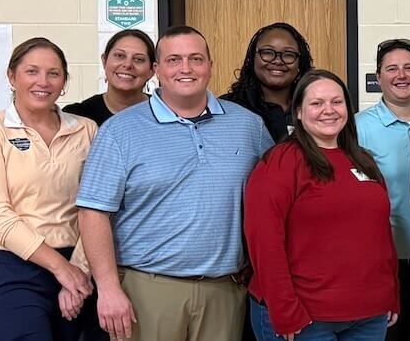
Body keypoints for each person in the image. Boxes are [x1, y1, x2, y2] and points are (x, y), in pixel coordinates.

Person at [77, 26, 274, 341]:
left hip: (224, 291)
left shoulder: (247, 125)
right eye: (174, 60)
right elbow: (93, 213)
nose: (186, 68)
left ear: (210, 66)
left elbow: (272, 199)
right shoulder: (119, 131)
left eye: (196, 59)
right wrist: (109, 288)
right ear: (157, 70)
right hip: (147, 290)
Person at [0, 37, 98, 340]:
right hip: (5, 267)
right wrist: (62, 269)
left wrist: (78, 272)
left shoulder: (86, 130)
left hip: (74, 269)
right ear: (12, 76)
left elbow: (98, 208)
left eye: (54, 73)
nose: (43, 82)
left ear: (64, 81)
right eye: (32, 71)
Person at [246, 70, 400, 341]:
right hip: (305, 318)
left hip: (369, 314)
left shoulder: (363, 160)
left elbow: (381, 235)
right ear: (299, 112)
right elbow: (264, 239)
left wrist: (391, 293)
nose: (328, 110)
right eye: (316, 103)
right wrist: (284, 309)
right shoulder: (281, 163)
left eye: (337, 102)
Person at [357, 38, 410, 341]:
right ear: (378, 76)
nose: (401, 75)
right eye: (391, 69)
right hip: (385, 264)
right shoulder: (358, 128)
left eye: (409, 67)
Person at [222, 22, 315, 142]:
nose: (277, 61)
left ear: (299, 63)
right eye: (267, 53)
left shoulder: (314, 107)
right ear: (252, 59)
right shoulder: (228, 109)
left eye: (288, 55)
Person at [64, 29, 156, 126]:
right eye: (120, 55)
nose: (128, 64)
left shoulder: (168, 113)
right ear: (104, 61)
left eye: (138, 59)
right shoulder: (76, 116)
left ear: (152, 70)